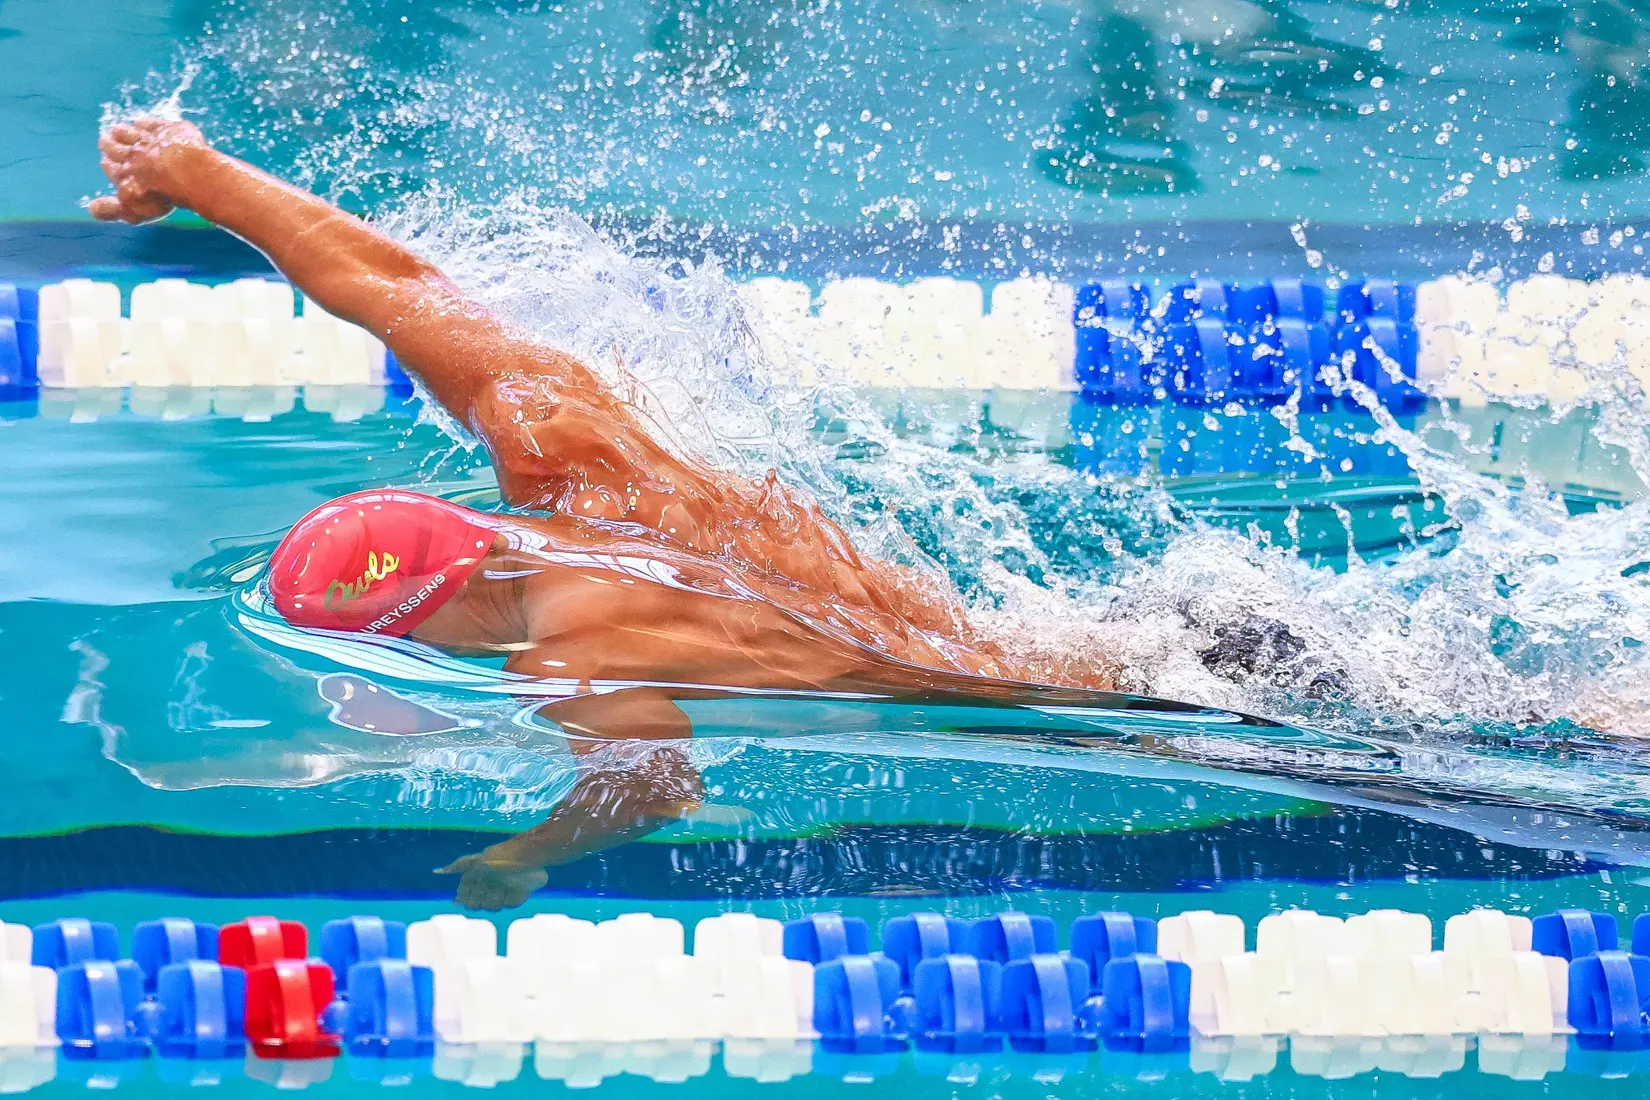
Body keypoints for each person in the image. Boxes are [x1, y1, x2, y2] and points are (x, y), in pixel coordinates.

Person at [92, 119, 1123, 907]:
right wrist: (199, 174)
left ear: (412, 623)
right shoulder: (571, 460)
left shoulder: (576, 657)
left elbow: (650, 787)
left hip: (1107, 725)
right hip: (1091, 643)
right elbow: (393, 285)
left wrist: (518, 858)